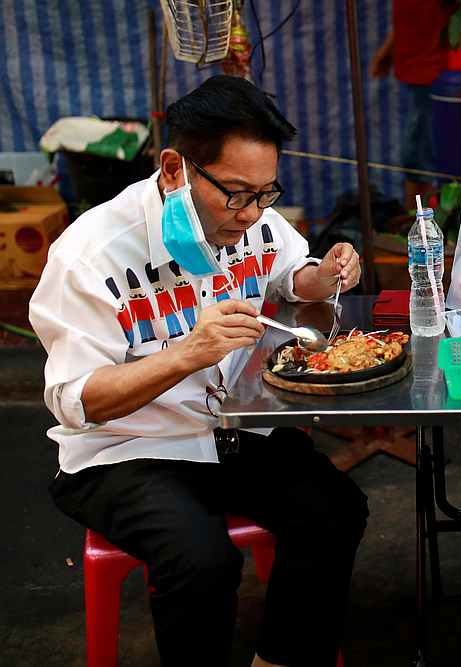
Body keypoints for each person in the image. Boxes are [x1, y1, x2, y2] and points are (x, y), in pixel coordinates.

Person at [29, 76, 368, 667]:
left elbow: (291, 272)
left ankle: (282, 659)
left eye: (267, 192)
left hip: (229, 432)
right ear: (173, 170)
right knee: (202, 559)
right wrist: (189, 351)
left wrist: (320, 275)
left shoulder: (253, 218)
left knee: (334, 509)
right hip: (125, 450)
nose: (255, 212)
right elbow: (76, 400)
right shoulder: (92, 254)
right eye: (237, 194)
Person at [370, 0, 455, 204]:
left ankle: (421, 224)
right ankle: (416, 222)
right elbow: (407, 19)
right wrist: (389, 50)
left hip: (436, 71)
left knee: (421, 156)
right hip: (416, 70)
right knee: (416, 155)